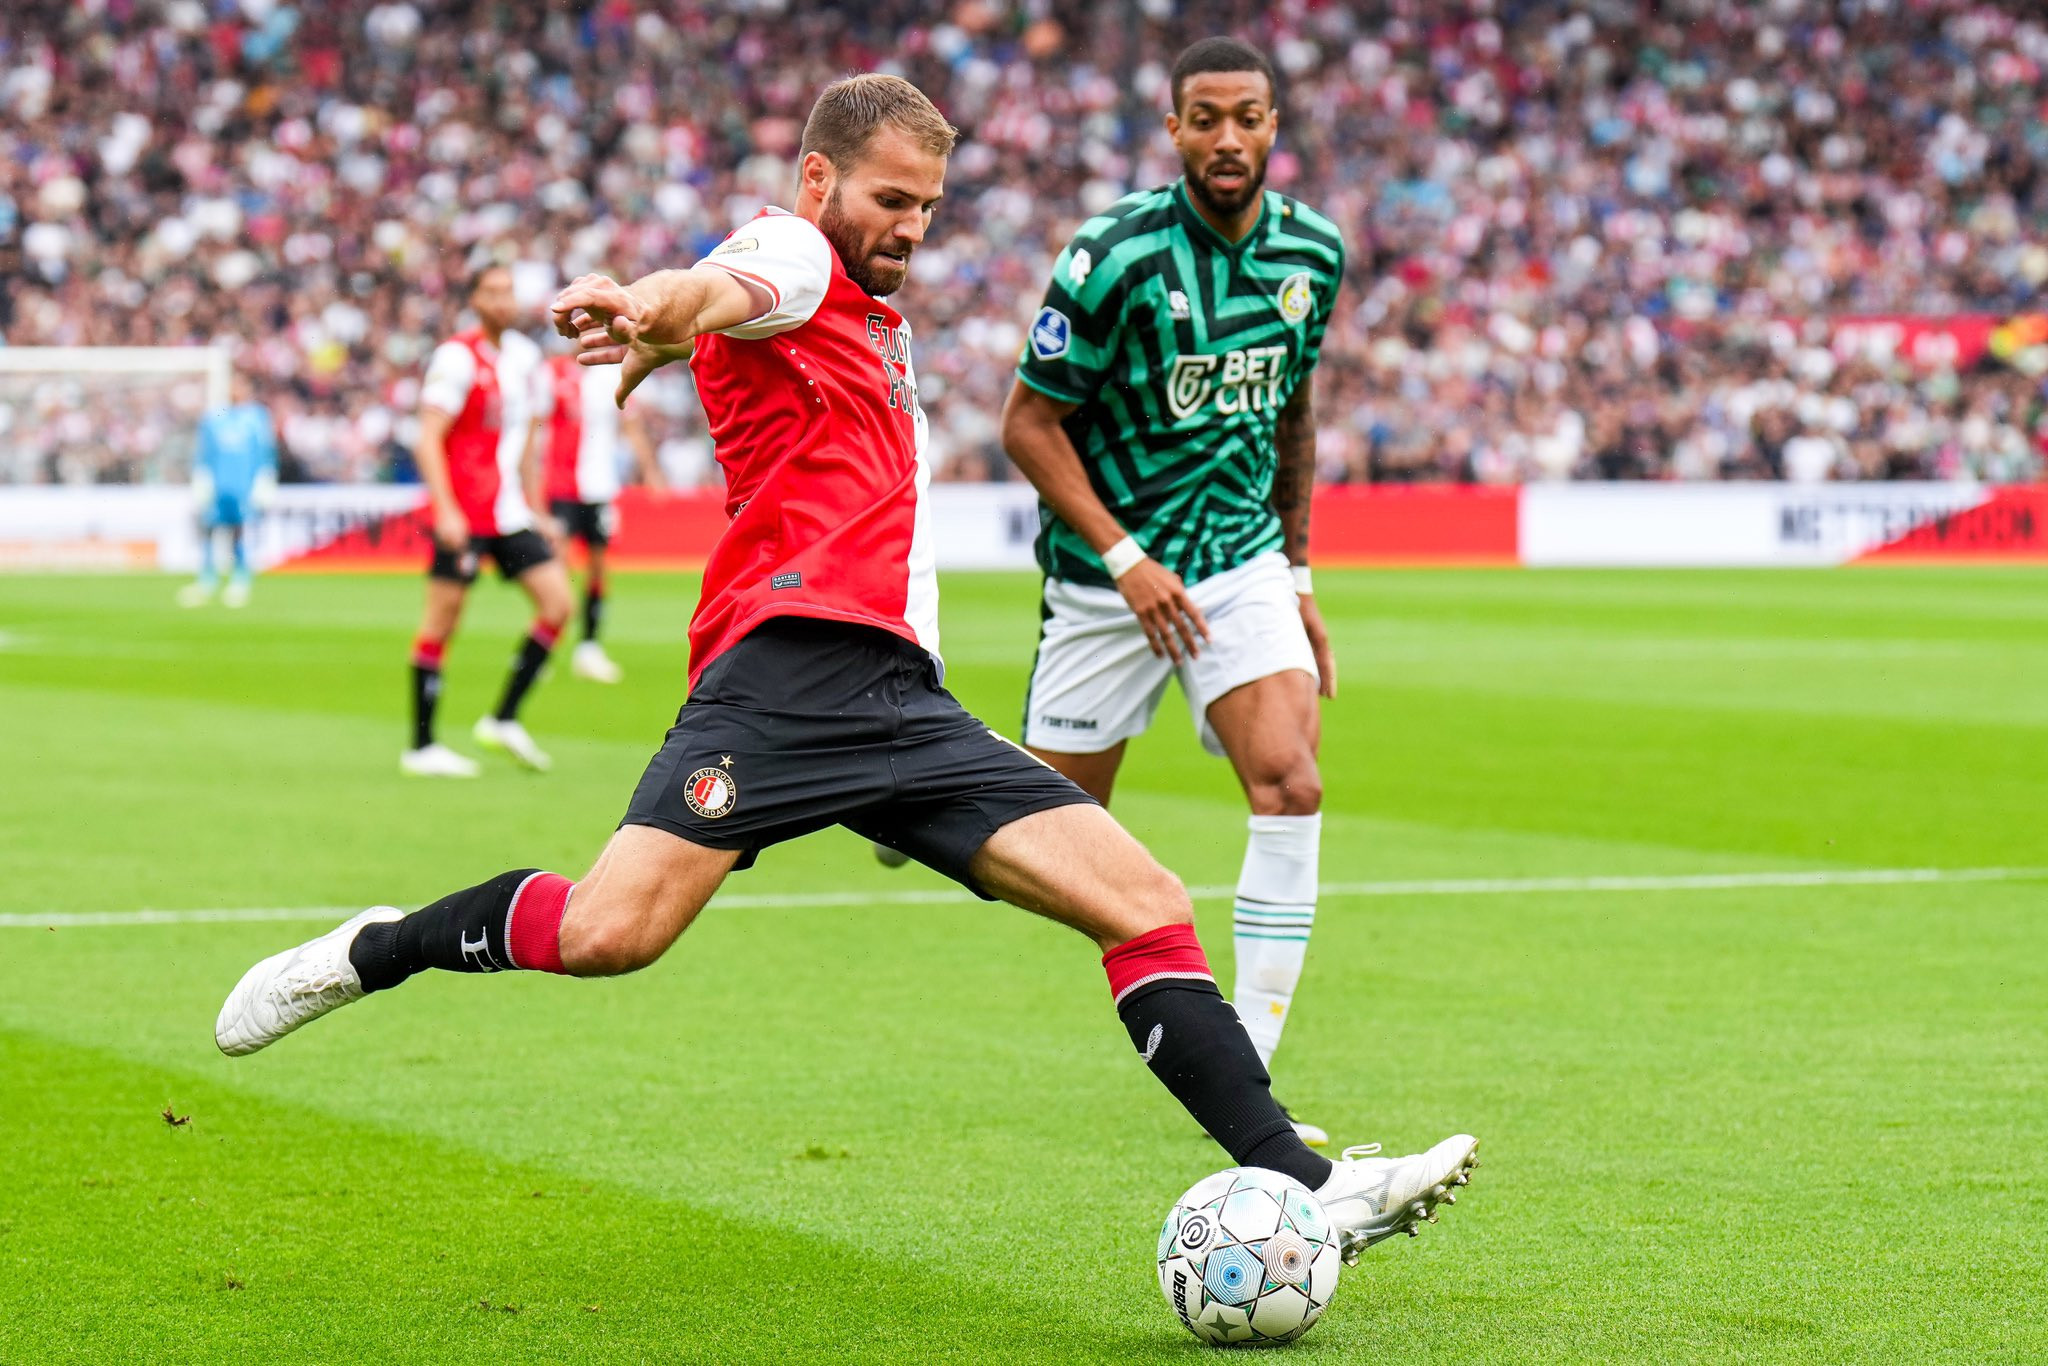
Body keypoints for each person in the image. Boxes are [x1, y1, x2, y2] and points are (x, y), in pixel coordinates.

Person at [214, 74, 1475, 1263]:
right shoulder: (794, 254)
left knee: (1141, 896)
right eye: (890, 198)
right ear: (817, 178)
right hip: (783, 678)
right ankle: (374, 949)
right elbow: (723, 282)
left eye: (927, 206)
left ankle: (1308, 1186)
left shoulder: (865, 310)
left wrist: (675, 333)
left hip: (896, 698)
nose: (911, 227)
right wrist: (656, 308)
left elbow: (728, 327)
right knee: (610, 932)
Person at [997, 38, 1345, 1145]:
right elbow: (1027, 423)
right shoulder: (1113, 256)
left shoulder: (1314, 253)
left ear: (1273, 124)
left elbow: (1291, 415)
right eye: (1205, 118)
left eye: (1246, 117)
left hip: (1237, 560)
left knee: (1289, 781)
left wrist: (1291, 571)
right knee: (1037, 835)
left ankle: (1246, 1072)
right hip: (1109, 582)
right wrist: (1122, 559)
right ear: (1174, 130)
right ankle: (925, 803)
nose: (1227, 139)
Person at [401, 264, 575, 778]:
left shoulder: (524, 358)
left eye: (508, 291)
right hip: (467, 516)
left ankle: (502, 719)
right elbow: (428, 437)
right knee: (442, 621)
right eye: (492, 292)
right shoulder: (456, 357)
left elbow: (526, 446)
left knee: (557, 603)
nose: (503, 300)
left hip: (509, 514)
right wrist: (447, 510)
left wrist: (539, 511)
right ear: (474, 300)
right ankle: (422, 745)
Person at [534, 347, 668, 684]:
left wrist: (650, 470)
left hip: (599, 488)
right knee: (558, 569)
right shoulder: (553, 373)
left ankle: (589, 648)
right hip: (561, 487)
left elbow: (632, 424)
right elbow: (534, 428)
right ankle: (545, 648)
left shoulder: (613, 373)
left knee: (597, 568)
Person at [177, 372, 278, 609]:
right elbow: (205, 453)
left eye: (240, 386)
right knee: (209, 530)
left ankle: (240, 578)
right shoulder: (214, 417)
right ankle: (207, 579)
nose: (235, 390)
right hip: (218, 486)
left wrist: (265, 480)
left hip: (242, 487)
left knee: (238, 532)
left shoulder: (256, 418)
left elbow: (265, 453)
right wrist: (201, 479)